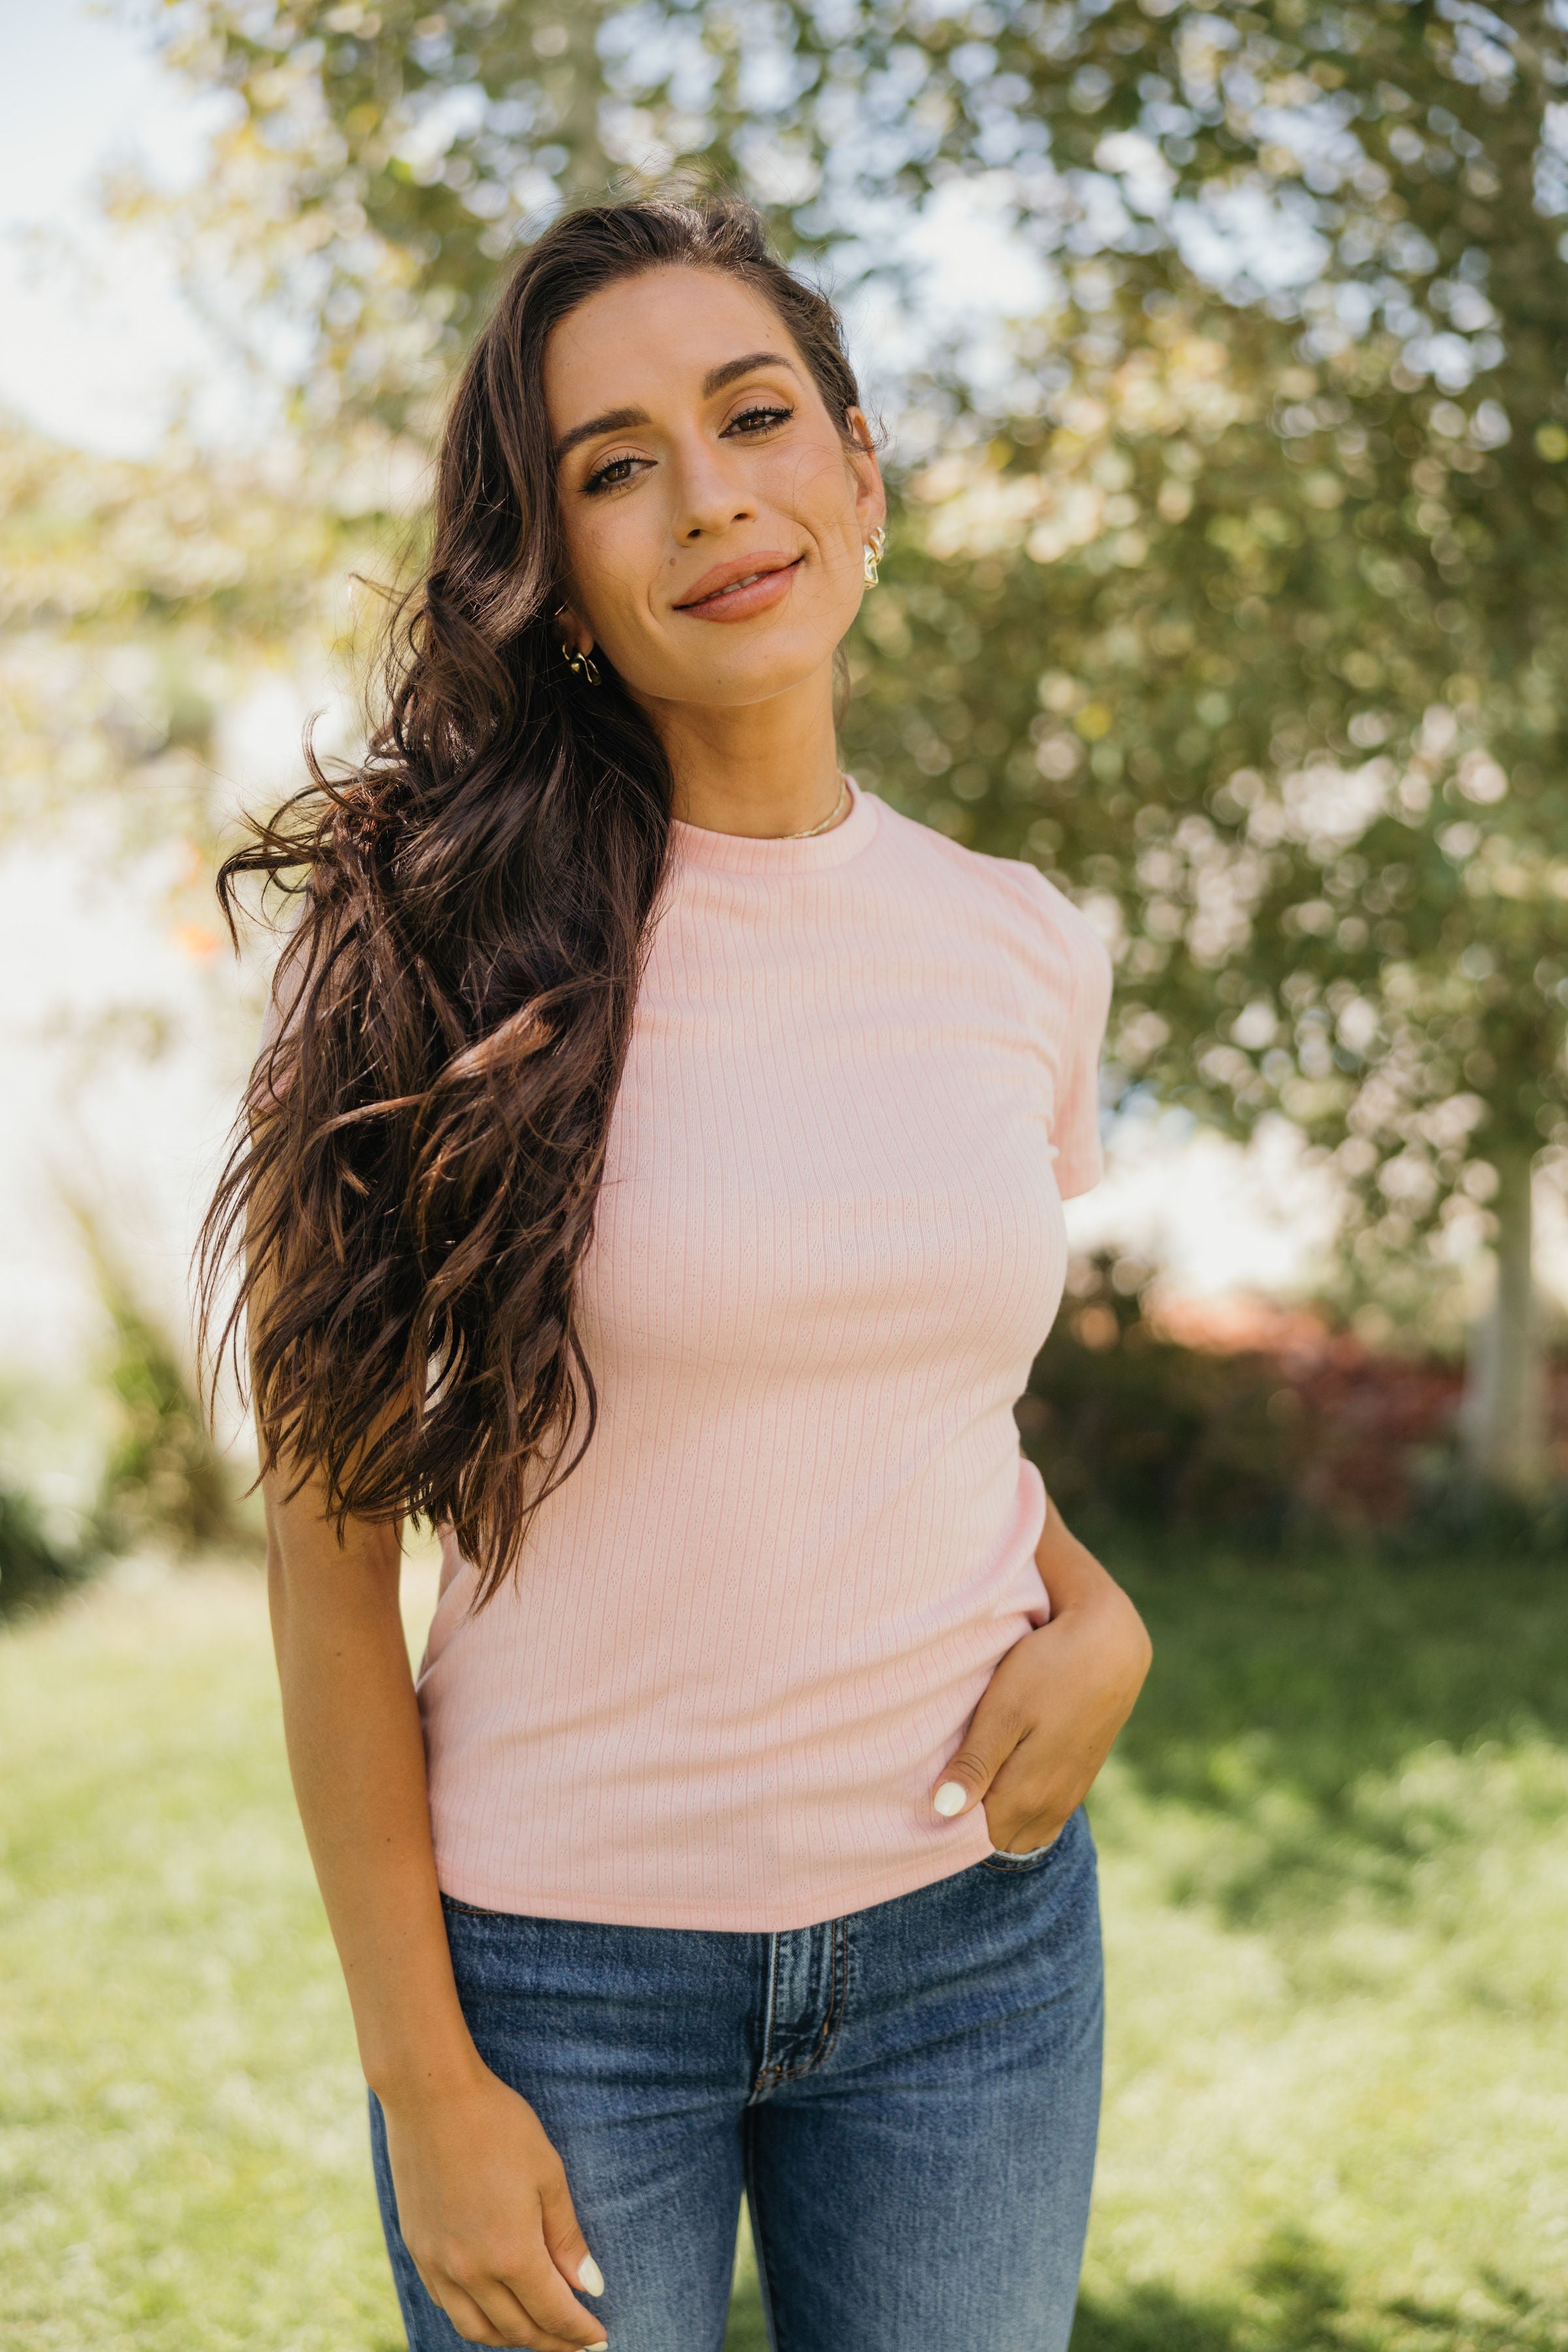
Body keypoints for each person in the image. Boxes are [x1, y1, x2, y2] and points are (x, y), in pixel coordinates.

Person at [199, 193, 1152, 2352]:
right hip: (560, 1981)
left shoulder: (1022, 942)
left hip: (975, 1954)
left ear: (860, 469)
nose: (712, 497)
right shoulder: (428, 955)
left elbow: (901, 1403)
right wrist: (425, 2079)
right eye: (617, 466)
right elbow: (330, 1545)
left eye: (756, 418)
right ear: (555, 581)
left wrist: (1097, 1611)